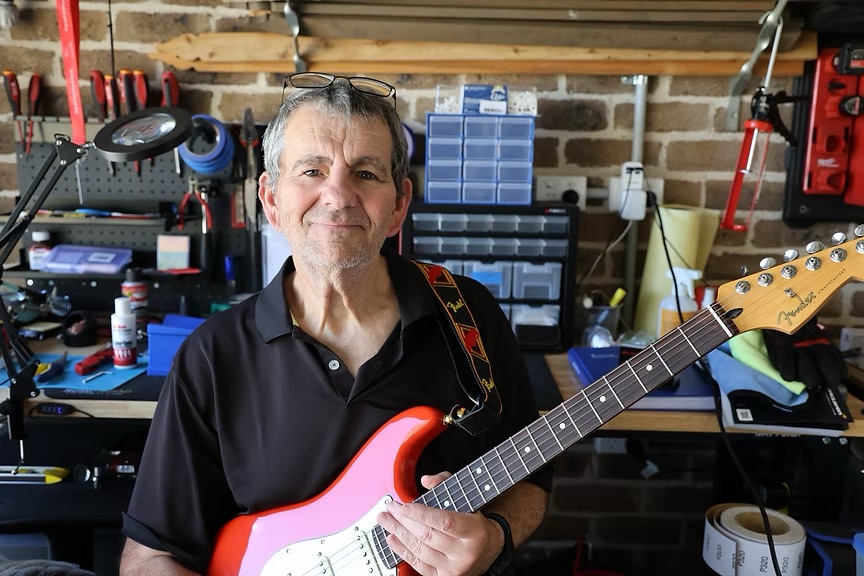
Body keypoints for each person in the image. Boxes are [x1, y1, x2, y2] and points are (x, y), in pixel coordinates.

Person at [119, 73, 552, 576]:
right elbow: (150, 557)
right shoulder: (212, 358)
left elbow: (532, 477)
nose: (338, 195)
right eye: (311, 170)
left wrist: (497, 537)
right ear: (271, 200)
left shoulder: (468, 316)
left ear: (399, 206)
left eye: (366, 173)